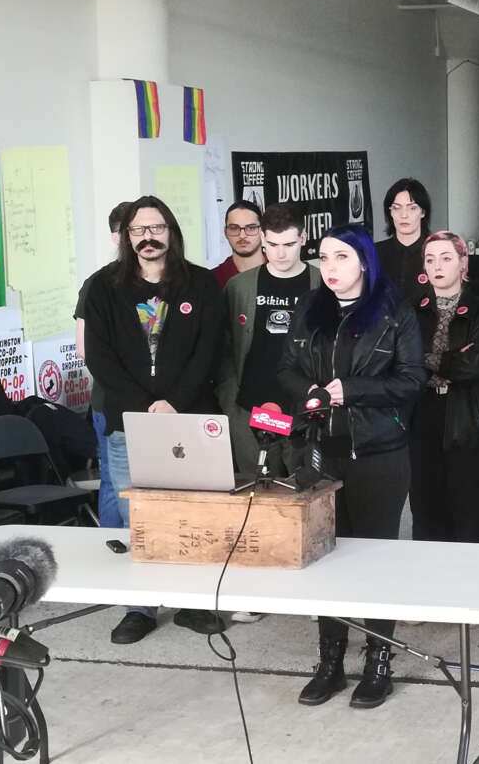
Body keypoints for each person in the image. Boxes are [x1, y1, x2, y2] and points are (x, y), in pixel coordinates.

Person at [278, 224, 425, 709]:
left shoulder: (393, 311)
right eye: (324, 258)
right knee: (326, 554)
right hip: (323, 449)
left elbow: (410, 381)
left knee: (376, 557)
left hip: (379, 452)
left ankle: (379, 659)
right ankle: (330, 660)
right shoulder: (310, 308)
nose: (331, 267)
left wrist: (351, 390)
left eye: (341, 257)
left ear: (363, 262)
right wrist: (312, 394)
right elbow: (286, 369)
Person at [83, 195, 227, 644]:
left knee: (192, 512)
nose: (149, 237)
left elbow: (210, 352)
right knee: (136, 513)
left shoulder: (201, 285)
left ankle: (193, 603)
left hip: (188, 418)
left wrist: (173, 403)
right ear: (127, 237)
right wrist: (142, 407)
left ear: (171, 231)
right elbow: (98, 356)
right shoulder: (102, 287)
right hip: (129, 422)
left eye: (157, 228)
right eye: (139, 230)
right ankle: (140, 608)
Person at [217, 203, 321, 625]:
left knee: (307, 494)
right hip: (250, 408)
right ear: (262, 240)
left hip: (302, 409)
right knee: (255, 498)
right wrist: (230, 402)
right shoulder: (240, 286)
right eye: (272, 244)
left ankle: (313, 591)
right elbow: (224, 351)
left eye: (288, 244)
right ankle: (257, 590)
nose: (279, 253)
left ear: (303, 240)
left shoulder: (320, 281)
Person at [409, 230, 479, 544]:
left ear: (463, 263)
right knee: (426, 512)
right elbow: (402, 362)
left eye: (446, 258)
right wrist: (449, 359)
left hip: (466, 415)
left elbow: (473, 366)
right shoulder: (412, 310)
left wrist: (425, 357)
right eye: (430, 259)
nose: (438, 266)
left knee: (470, 514)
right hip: (421, 414)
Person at [75, 200, 131, 529]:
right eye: (129, 232)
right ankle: (111, 552)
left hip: (157, 403)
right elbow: (84, 348)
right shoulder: (98, 284)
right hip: (110, 401)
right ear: (116, 237)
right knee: (113, 482)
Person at [375, 178, 432, 301]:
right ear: (390, 212)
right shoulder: (374, 253)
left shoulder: (437, 253)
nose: (404, 215)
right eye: (397, 208)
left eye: (412, 208)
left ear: (422, 212)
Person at [212, 200, 265, 288]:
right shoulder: (213, 278)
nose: (242, 235)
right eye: (234, 228)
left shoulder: (281, 271)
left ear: (262, 231)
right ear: (225, 232)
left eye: (251, 228)